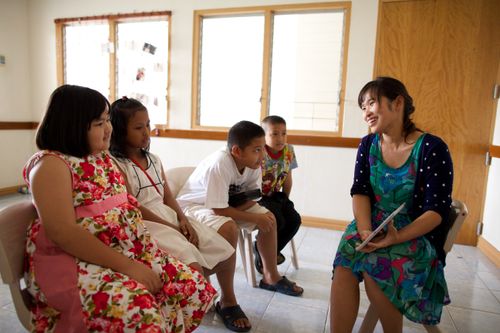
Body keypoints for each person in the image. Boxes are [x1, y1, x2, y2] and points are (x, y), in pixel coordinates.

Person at [23, 85, 216, 333]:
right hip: (76, 262)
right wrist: (128, 266)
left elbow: (125, 203)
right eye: (98, 122)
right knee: (140, 310)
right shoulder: (51, 165)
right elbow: (63, 232)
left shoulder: (101, 158)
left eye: (107, 120)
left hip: (126, 251)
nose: (108, 129)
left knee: (191, 286)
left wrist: (155, 242)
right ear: (72, 125)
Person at [329, 77, 453, 333]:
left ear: (398, 103)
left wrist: (395, 238)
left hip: (416, 234)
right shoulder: (368, 145)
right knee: (344, 265)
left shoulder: (432, 148)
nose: (366, 113)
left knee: (377, 268)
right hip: (373, 225)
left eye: (371, 103)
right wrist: (364, 230)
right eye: (363, 107)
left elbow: (436, 211)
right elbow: (360, 191)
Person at [177, 121, 304, 330]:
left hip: (227, 202)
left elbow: (249, 198)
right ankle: (227, 300)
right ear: (237, 151)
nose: (262, 155)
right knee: (229, 228)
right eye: (256, 150)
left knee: (269, 217)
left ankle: (271, 276)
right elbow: (217, 210)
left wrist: (259, 215)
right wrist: (254, 219)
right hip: (195, 207)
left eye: (262, 148)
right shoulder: (220, 163)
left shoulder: (253, 163)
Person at [108, 96, 237, 296]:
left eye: (148, 125)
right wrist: (171, 227)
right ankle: (194, 299)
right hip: (147, 223)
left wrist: (183, 220)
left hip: (169, 215)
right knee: (193, 267)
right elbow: (133, 206)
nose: (146, 132)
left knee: (225, 253)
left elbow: (167, 197)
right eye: (138, 127)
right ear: (119, 130)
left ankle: (227, 301)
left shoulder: (154, 159)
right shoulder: (117, 164)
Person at [258, 115, 302, 268]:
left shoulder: (289, 150)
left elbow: (288, 178)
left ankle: (264, 252)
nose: (280, 138)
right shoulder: (259, 152)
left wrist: (286, 200)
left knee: (294, 220)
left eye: (284, 133)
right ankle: (264, 260)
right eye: (274, 134)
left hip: (277, 196)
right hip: (259, 198)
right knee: (277, 220)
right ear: (263, 136)